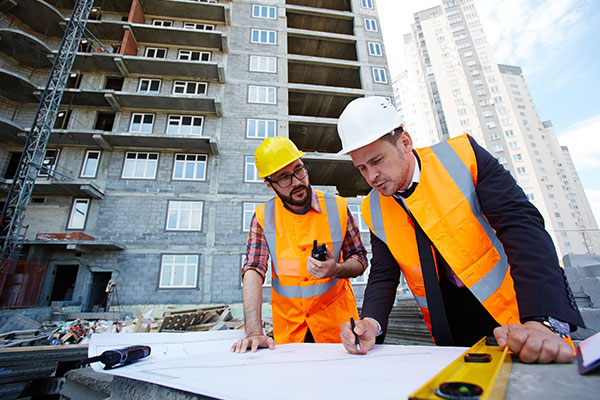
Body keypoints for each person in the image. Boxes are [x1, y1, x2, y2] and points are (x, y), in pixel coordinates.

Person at [336, 96, 585, 363]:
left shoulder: (464, 157)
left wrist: (541, 319)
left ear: (405, 142)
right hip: (450, 328)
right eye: (362, 168)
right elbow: (384, 275)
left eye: (377, 161)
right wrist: (372, 322)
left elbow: (521, 227)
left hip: (517, 314)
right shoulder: (374, 207)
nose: (371, 176)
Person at [231, 136, 368, 353]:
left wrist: (337, 269)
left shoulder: (338, 208)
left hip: (339, 333)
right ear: (269, 184)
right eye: (284, 178)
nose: (297, 182)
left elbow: (360, 259)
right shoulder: (262, 217)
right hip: (290, 335)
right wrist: (254, 331)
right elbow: (253, 270)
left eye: (298, 170)